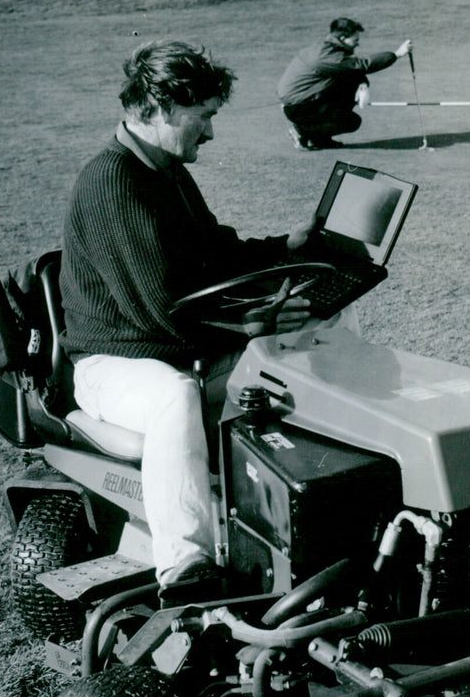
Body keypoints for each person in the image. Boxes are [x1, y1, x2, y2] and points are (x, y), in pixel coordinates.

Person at [59, 40, 313, 602]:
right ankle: (185, 566)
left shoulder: (164, 169)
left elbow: (214, 254)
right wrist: (251, 323)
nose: (212, 133)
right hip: (117, 361)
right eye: (204, 118)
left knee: (317, 329)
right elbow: (165, 312)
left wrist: (285, 250)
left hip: (169, 342)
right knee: (175, 396)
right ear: (161, 107)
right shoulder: (113, 184)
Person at [278, 17, 412, 150]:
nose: (358, 44)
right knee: (351, 122)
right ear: (342, 39)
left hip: (302, 101)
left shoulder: (325, 48)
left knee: (350, 86)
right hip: (299, 107)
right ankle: (302, 132)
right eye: (355, 40)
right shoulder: (327, 57)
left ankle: (319, 139)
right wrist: (397, 54)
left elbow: (350, 72)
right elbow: (362, 65)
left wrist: (362, 85)